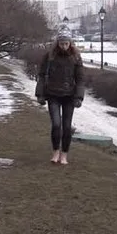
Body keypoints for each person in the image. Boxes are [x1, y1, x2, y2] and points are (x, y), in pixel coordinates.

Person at [35, 27, 85, 165]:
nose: (64, 46)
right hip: (53, 95)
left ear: (70, 43)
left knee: (67, 126)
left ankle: (64, 155)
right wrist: (40, 94)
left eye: (66, 43)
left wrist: (79, 97)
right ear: (57, 43)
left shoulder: (75, 57)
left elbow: (80, 79)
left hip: (69, 96)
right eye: (61, 43)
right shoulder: (50, 56)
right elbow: (41, 75)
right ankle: (55, 152)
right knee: (56, 125)